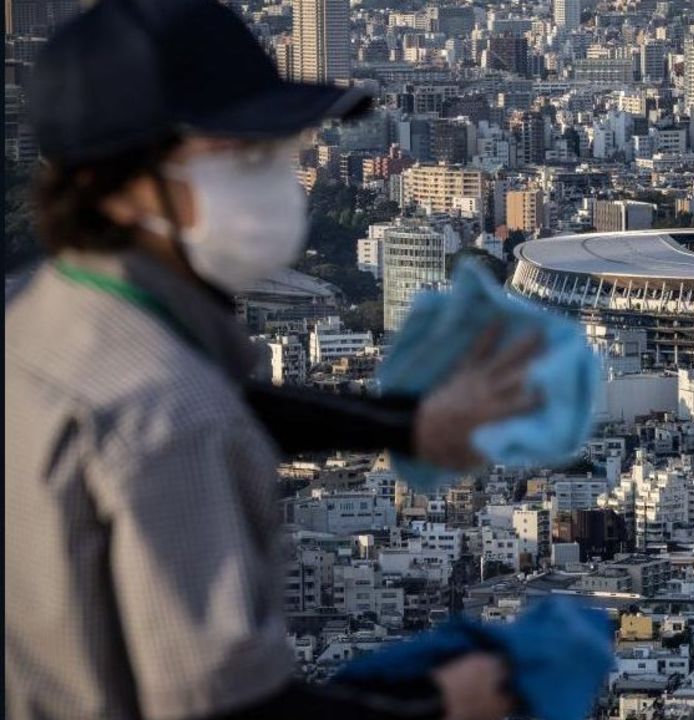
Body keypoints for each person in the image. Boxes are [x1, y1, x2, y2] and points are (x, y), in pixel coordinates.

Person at [5, 1, 541, 719]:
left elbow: (209, 404)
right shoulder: (172, 415)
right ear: (119, 185)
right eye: (239, 156)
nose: (277, 178)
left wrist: (405, 426)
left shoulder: (41, 318)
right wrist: (442, 704)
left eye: (275, 150)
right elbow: (230, 710)